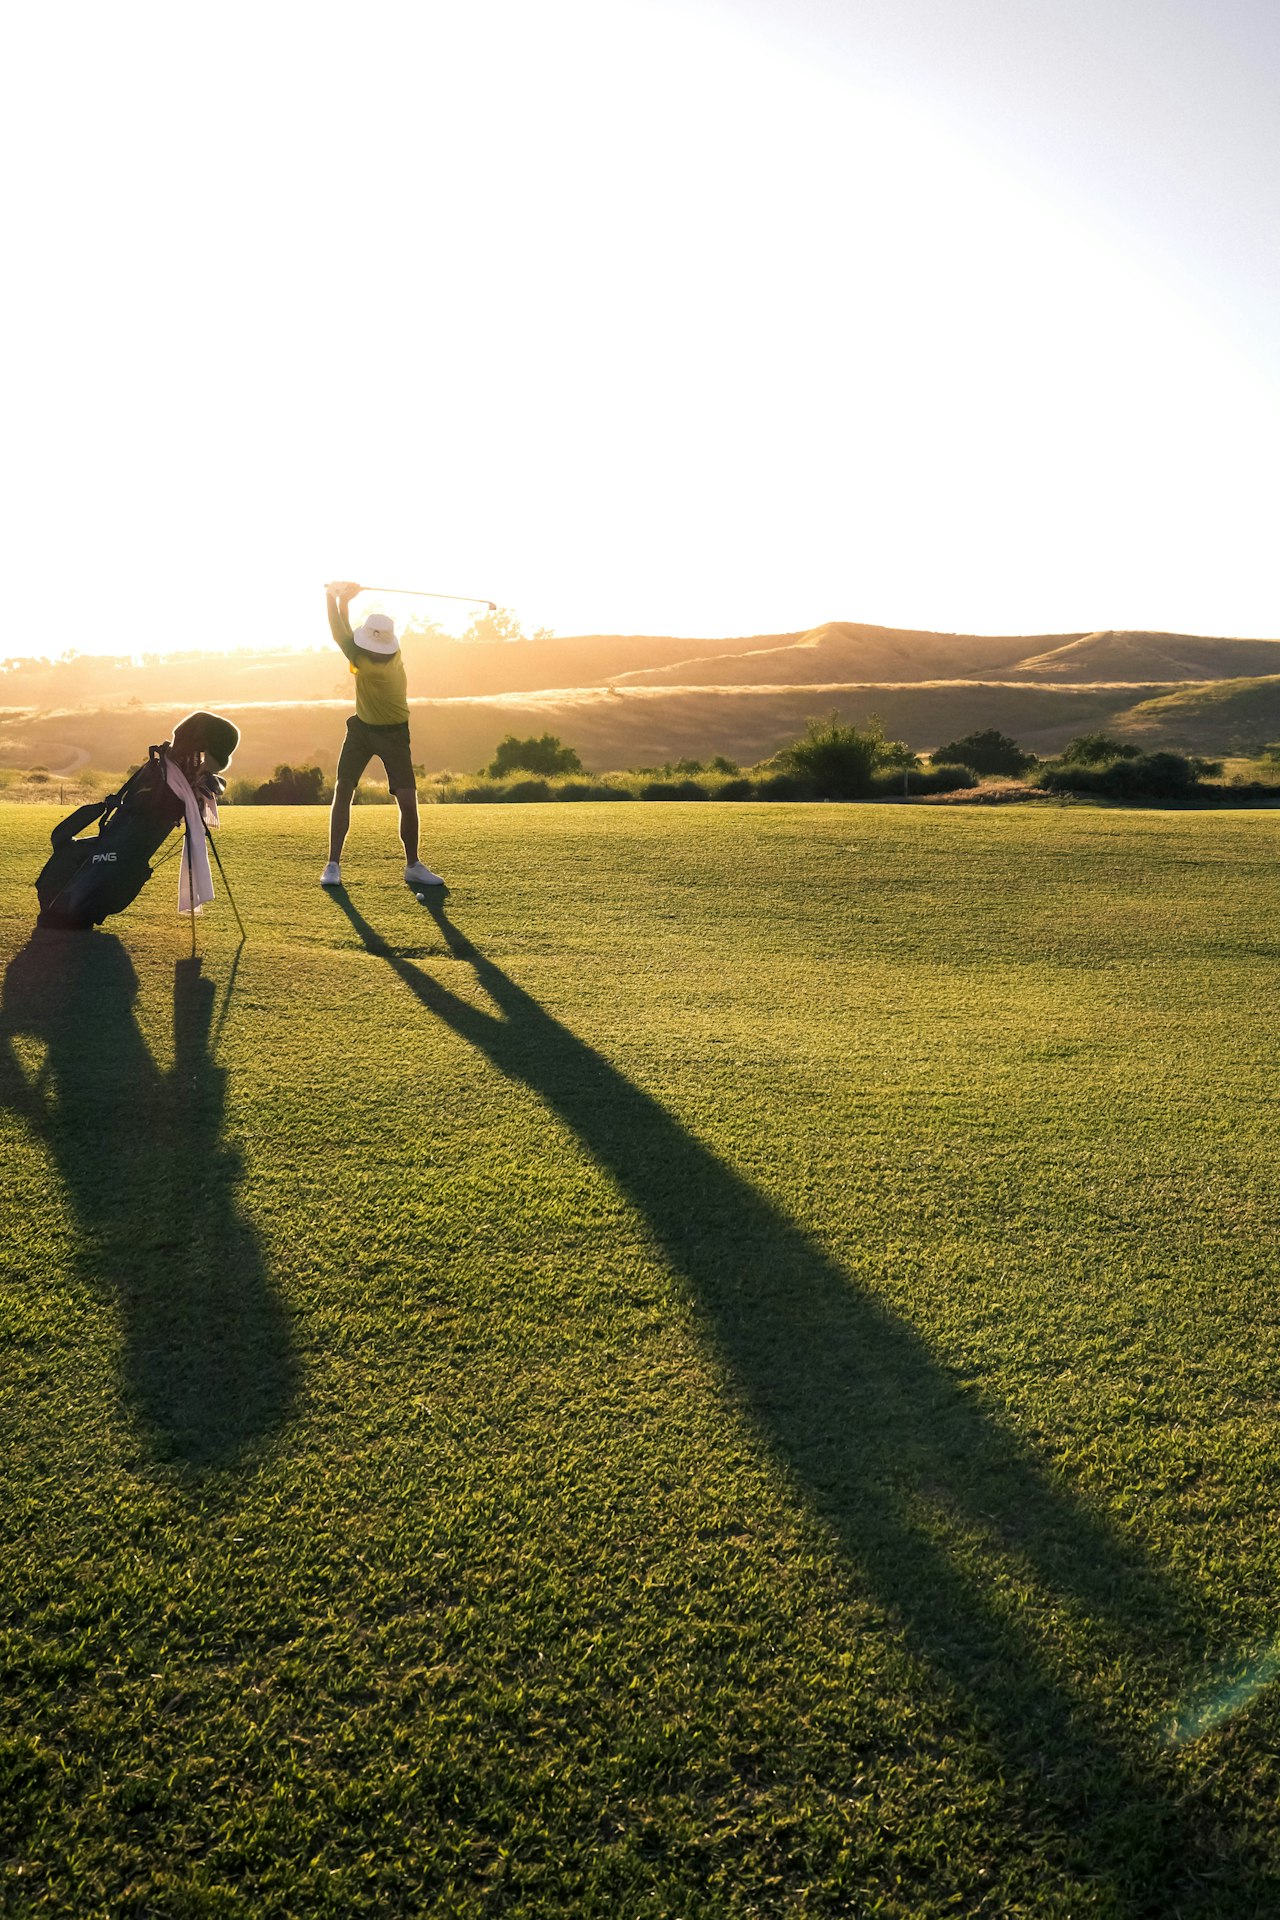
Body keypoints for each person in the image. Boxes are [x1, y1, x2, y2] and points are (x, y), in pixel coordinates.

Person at [320, 582, 443, 890]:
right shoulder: (385, 652)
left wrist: (333, 597)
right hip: (362, 730)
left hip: (393, 735)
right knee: (343, 789)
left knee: (406, 800)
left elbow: (340, 632)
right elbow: (345, 633)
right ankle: (332, 864)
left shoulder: (366, 660)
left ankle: (413, 866)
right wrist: (343, 601)